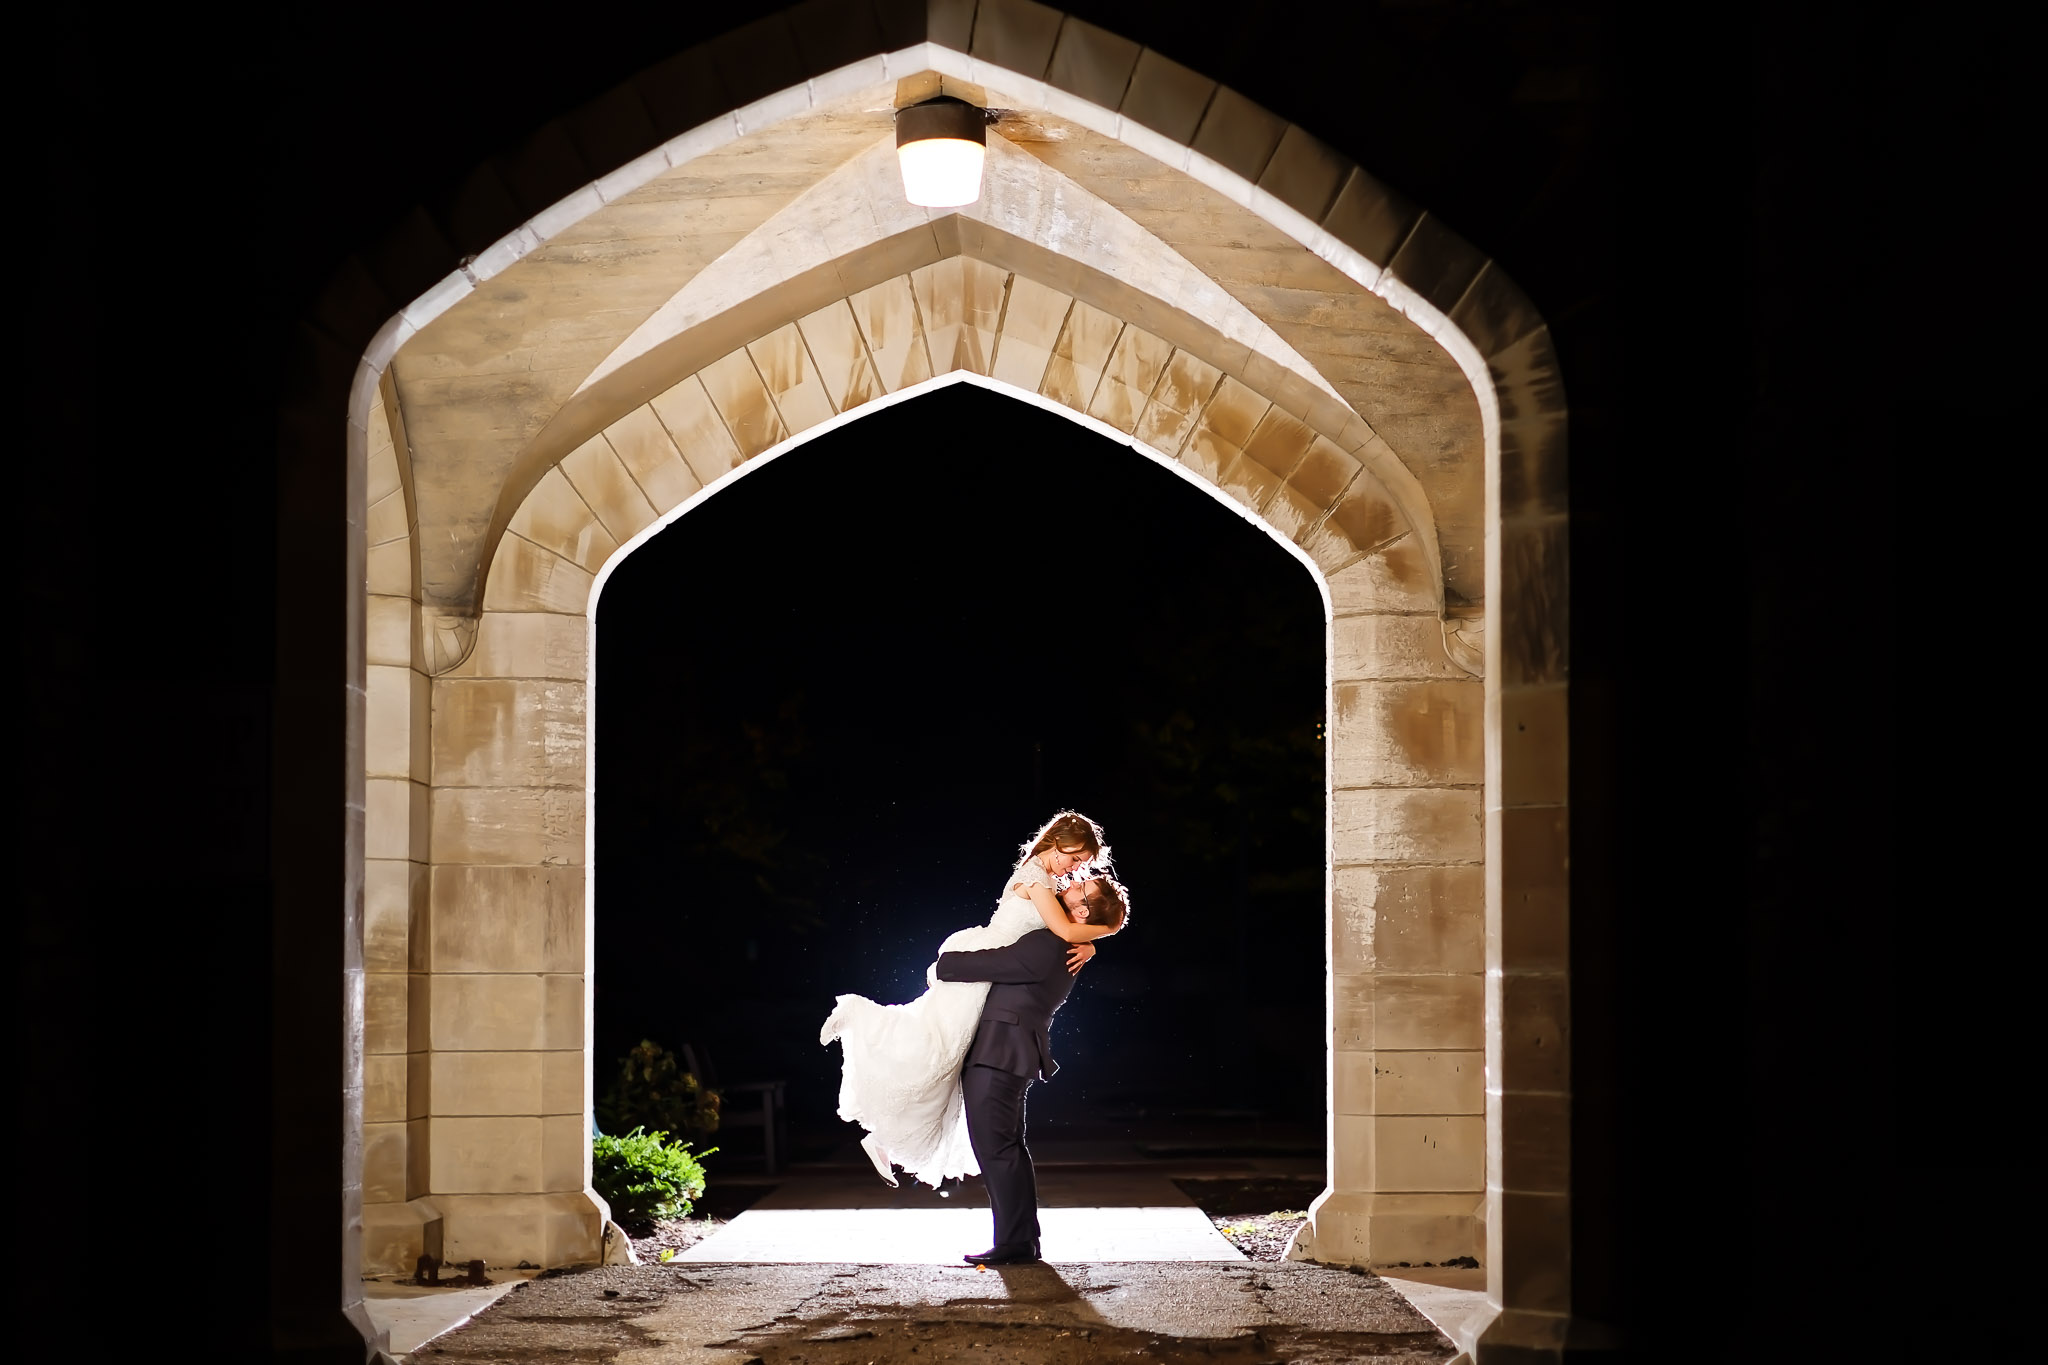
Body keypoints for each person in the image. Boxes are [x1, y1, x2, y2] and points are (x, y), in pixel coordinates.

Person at [820, 812, 1122, 1190]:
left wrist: (1093, 940)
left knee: (945, 1054)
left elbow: (1064, 926)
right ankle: (860, 1021)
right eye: (1074, 857)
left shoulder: (1049, 881)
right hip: (984, 958)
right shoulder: (1037, 878)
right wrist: (1105, 932)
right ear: (1057, 841)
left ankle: (885, 1139)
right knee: (937, 1045)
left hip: (989, 965)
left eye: (1080, 864)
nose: (1074, 868)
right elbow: (1063, 929)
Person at [938, 871, 1130, 1265]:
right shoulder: (1060, 942)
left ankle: (1015, 1243)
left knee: (997, 1148)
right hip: (1007, 1050)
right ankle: (1020, 1239)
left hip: (1000, 1051)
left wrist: (948, 956)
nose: (1070, 884)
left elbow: (960, 966)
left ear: (1080, 910)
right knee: (1005, 1147)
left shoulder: (1049, 945)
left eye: (1081, 889)